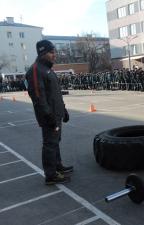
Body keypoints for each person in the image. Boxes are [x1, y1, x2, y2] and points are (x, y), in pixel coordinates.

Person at [25, 40, 73, 185]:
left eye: (54, 52)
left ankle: (57, 166)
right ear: (42, 53)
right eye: (51, 52)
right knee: (50, 144)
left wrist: (63, 110)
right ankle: (51, 175)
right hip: (49, 116)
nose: (55, 55)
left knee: (55, 142)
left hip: (56, 113)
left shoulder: (47, 69)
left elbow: (55, 93)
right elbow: (39, 97)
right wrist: (49, 116)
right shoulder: (35, 70)